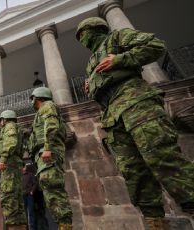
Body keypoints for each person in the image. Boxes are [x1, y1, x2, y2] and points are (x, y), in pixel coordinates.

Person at [76, 17, 194, 229]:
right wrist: (91, 87)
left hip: (137, 104)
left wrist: (120, 59)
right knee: (134, 172)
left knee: (163, 158)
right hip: (113, 116)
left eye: (82, 34)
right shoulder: (91, 62)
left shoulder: (118, 37)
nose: (81, 39)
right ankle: (155, 221)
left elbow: (155, 45)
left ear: (94, 30)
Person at [28, 87, 73, 230]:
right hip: (43, 153)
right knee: (49, 187)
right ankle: (63, 224)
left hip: (48, 152)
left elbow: (51, 126)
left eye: (33, 98)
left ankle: (65, 225)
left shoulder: (48, 106)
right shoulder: (41, 111)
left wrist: (47, 148)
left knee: (53, 187)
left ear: (38, 97)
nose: (31, 101)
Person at [0, 110, 27, 230]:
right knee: (16, 197)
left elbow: (11, 143)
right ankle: (18, 226)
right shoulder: (16, 128)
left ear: (4, 119)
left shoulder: (9, 126)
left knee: (9, 196)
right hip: (14, 163)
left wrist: (3, 159)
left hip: (9, 163)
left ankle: (13, 227)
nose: (0, 123)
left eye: (1, 120)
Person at [21, 163, 37, 230]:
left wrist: (32, 191)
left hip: (29, 195)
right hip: (22, 196)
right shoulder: (18, 175)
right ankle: (25, 227)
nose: (22, 168)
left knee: (31, 211)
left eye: (23, 167)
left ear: (25, 167)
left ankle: (32, 227)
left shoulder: (30, 174)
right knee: (23, 212)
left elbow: (35, 184)